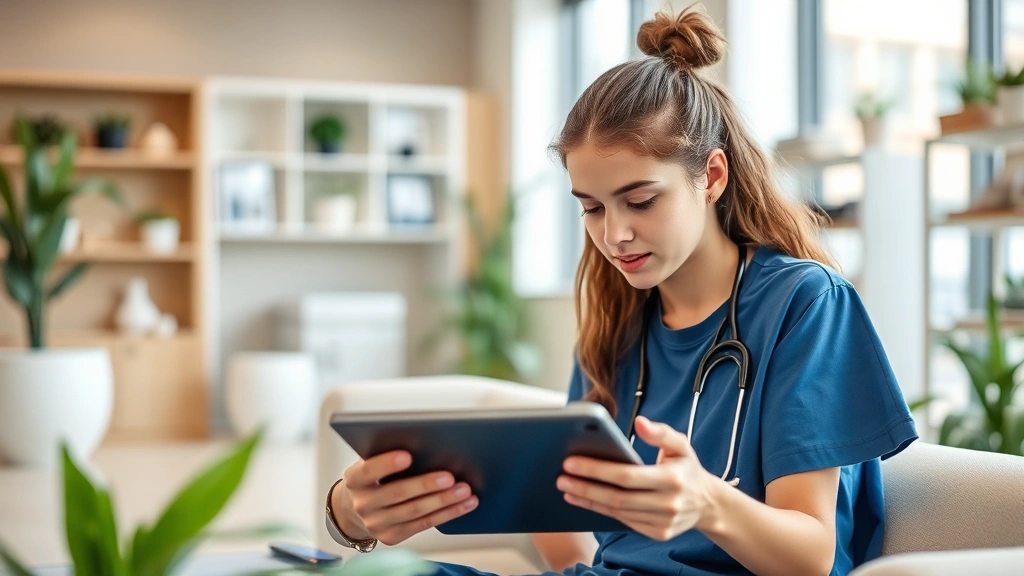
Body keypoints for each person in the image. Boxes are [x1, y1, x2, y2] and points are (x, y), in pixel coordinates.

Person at [323, 4, 917, 575]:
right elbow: (562, 511)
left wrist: (706, 501)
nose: (615, 234)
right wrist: (350, 514)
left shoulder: (804, 305)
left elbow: (813, 556)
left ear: (711, 176)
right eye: (591, 208)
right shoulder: (618, 319)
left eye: (640, 201)